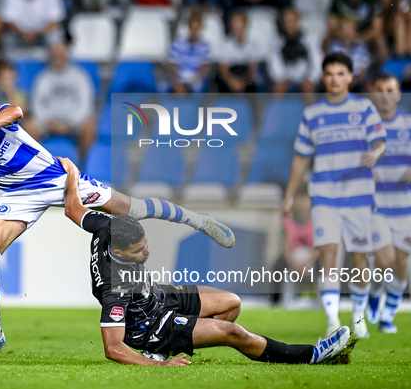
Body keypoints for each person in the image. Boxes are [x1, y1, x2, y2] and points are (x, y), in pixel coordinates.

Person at [0, 69, 236, 356]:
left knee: (132, 208)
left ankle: (194, 219)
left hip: (55, 178)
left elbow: (16, 111)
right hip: (17, 195)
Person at [59, 156, 351, 366]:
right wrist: (158, 367)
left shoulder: (106, 228)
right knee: (232, 332)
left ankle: (180, 339)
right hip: (153, 325)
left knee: (232, 303)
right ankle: (311, 354)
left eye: (145, 244)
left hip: (159, 295)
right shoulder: (115, 290)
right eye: (139, 251)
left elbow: (73, 208)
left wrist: (71, 172)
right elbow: (113, 347)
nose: (146, 253)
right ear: (120, 254)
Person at [282, 52, 387, 339]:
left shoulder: (364, 108)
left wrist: (375, 154)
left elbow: (380, 142)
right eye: (330, 73)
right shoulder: (313, 114)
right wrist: (290, 195)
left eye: (341, 73)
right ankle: (331, 319)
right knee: (328, 253)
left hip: (359, 195)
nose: (335, 79)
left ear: (351, 77)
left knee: (359, 257)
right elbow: (301, 158)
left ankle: (358, 317)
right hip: (325, 196)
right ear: (323, 77)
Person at [366, 72, 411, 334]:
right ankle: (374, 291)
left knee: (402, 264)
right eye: (380, 90)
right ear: (374, 93)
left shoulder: (407, 124)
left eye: (390, 90)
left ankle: (388, 315)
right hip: (376, 206)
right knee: (386, 261)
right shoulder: (365, 127)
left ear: (398, 94)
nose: (385, 95)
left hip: (405, 206)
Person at [29, 42, 95, 157]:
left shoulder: (80, 76)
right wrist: (49, 122)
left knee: (89, 126)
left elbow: (85, 104)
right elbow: (37, 104)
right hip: (49, 122)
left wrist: (70, 123)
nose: (57, 58)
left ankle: (83, 163)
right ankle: (36, 164)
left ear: (67, 56)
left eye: (60, 55)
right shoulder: (43, 77)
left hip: (73, 122)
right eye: (55, 55)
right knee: (30, 127)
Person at [268, 8, 322, 94]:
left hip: (306, 76)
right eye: (287, 21)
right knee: (278, 89)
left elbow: (317, 61)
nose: (290, 24)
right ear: (283, 24)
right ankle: (277, 107)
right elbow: (274, 64)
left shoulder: (310, 38)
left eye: (292, 21)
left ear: (298, 21)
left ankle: (312, 107)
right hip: (287, 77)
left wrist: (311, 78)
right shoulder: (277, 41)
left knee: (308, 89)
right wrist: (281, 78)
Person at [213, 12, 261, 93]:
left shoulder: (253, 46)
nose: (238, 31)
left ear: (245, 27)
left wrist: (243, 83)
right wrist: (232, 82)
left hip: (245, 78)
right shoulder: (226, 44)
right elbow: (223, 69)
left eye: (240, 27)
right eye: (235, 28)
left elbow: (252, 69)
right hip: (230, 77)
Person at [168, 11, 211, 94]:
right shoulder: (178, 44)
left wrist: (193, 81)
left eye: (197, 28)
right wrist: (176, 81)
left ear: (200, 29)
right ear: (189, 28)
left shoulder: (205, 46)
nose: (194, 31)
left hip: (196, 80)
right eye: (193, 28)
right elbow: (172, 66)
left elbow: (205, 68)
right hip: (180, 78)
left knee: (199, 87)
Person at [326, 18, 370, 93]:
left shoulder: (361, 46)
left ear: (355, 31)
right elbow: (330, 65)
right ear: (339, 32)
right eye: (344, 29)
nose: (346, 32)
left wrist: (352, 82)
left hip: (357, 81)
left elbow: (363, 70)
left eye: (349, 29)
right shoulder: (334, 46)